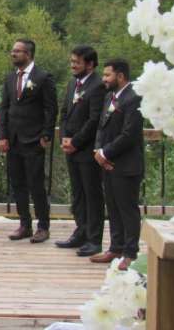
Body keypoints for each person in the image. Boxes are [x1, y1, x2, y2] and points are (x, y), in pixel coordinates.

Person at [0, 39, 57, 243]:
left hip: (33, 139)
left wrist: (47, 134)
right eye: (12, 50)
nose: (13, 54)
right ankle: (25, 224)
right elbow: (3, 108)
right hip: (13, 139)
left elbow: (51, 108)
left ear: (29, 54)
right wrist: (2, 136)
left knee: (36, 184)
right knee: (17, 183)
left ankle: (43, 226)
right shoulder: (10, 78)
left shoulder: (43, 77)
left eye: (17, 51)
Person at [90, 59, 144, 271]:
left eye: (107, 75)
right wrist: (98, 150)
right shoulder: (109, 97)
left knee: (127, 209)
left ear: (120, 76)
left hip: (127, 164)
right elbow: (101, 128)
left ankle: (130, 253)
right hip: (108, 163)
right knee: (112, 207)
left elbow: (130, 134)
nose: (103, 79)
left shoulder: (134, 98)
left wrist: (106, 152)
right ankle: (115, 247)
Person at [56, 46, 106, 257]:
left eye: (77, 62)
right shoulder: (72, 83)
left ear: (90, 64)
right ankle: (80, 231)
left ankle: (94, 239)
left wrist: (76, 141)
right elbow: (65, 112)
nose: (73, 65)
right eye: (72, 61)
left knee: (92, 194)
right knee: (77, 194)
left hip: (87, 150)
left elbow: (94, 120)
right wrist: (64, 139)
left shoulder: (97, 86)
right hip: (72, 148)